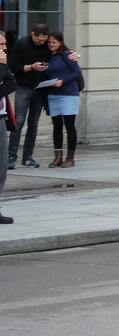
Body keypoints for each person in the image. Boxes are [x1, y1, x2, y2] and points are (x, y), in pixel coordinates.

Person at [6, 24, 80, 170]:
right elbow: (12, 67)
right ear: (32, 34)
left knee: (34, 123)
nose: (42, 43)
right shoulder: (21, 44)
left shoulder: (48, 45)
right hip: (23, 88)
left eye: (44, 40)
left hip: (41, 90)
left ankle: (28, 157)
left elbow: (62, 50)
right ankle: (11, 157)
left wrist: (76, 54)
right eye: (38, 40)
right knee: (18, 122)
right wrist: (31, 67)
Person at [44, 31, 83, 168]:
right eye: (49, 42)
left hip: (68, 94)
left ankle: (70, 158)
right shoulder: (49, 56)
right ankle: (58, 158)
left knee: (69, 126)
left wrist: (63, 81)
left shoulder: (67, 54)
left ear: (60, 42)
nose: (51, 45)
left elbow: (77, 73)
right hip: (53, 95)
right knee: (57, 127)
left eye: (54, 42)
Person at [1, 32, 17, 223]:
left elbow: (11, 83)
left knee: (1, 167)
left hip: (1, 118)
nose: (5, 47)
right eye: (1, 44)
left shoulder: (3, 63)